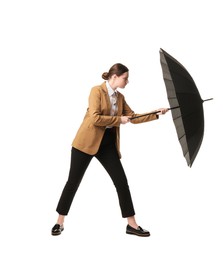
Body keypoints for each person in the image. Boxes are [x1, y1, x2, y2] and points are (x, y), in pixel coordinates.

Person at [51, 63, 168, 237]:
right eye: (125, 78)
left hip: (107, 144)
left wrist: (156, 113)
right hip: (85, 142)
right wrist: (118, 120)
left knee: (121, 181)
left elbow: (133, 117)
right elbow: (95, 118)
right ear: (114, 77)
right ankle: (59, 222)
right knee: (73, 182)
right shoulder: (96, 91)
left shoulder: (120, 98)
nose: (127, 81)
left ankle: (132, 224)